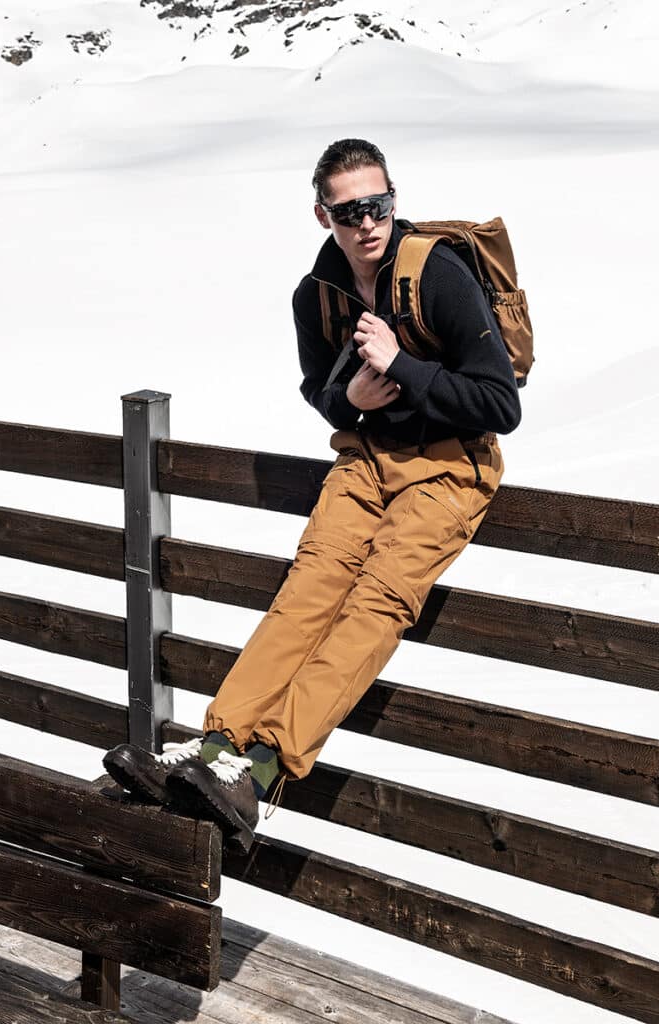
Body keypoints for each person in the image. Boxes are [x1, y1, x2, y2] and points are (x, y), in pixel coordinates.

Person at [103, 138, 522, 852]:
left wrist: (402, 369)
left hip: (451, 466)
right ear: (322, 215)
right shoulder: (318, 293)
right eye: (349, 210)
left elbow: (500, 404)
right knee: (308, 590)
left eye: (379, 205)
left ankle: (261, 771)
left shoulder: (438, 275)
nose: (368, 222)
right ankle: (214, 751)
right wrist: (350, 396)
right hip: (367, 459)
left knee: (374, 603)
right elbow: (320, 393)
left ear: (393, 200)